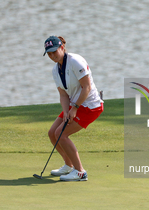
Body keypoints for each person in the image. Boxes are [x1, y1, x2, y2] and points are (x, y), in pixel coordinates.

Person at [43, 35, 104, 181]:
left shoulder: (75, 61)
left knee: (61, 134)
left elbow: (86, 87)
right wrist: (66, 111)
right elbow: (63, 95)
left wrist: (74, 108)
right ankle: (68, 165)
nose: (52, 56)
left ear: (62, 48)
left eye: (54, 51)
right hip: (74, 105)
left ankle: (80, 172)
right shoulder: (55, 70)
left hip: (90, 105)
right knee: (52, 133)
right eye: (49, 53)